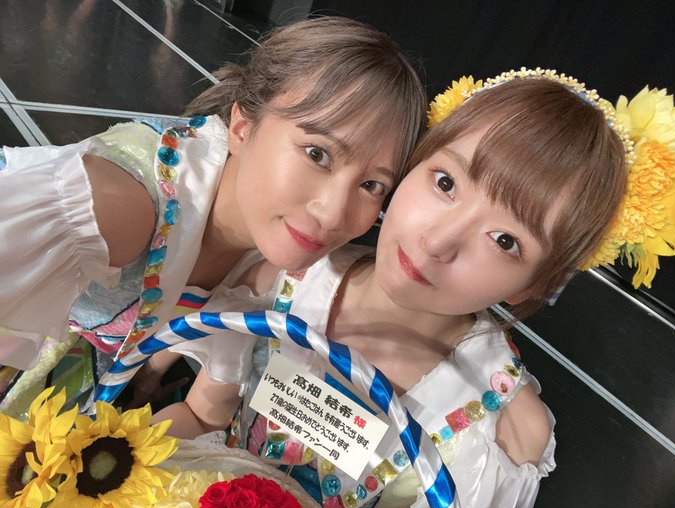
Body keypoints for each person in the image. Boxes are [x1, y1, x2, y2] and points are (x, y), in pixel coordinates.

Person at [157, 69, 675, 508]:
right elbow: (202, 416)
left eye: (505, 240)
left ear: (538, 284)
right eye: (446, 183)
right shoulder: (284, 281)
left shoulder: (500, 432)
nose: (437, 242)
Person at [0, 16, 427, 418]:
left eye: (372, 185)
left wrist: (146, 380)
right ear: (242, 127)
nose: (334, 213)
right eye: (317, 154)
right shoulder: (121, 206)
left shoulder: (276, 264)